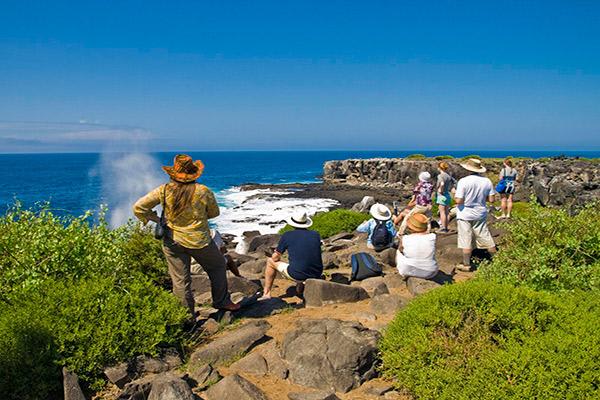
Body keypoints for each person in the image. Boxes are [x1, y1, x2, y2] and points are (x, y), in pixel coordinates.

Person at [133, 154, 240, 325]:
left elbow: (138, 207)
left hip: (172, 240)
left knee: (180, 281)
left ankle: (186, 318)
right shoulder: (202, 191)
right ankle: (221, 301)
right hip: (199, 241)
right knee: (218, 265)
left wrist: (154, 219)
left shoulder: (164, 190)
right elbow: (214, 213)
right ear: (193, 173)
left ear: (173, 174)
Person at [259, 211, 323, 300]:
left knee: (270, 261)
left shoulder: (287, 235)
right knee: (303, 261)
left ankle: (266, 293)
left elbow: (275, 258)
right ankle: (301, 286)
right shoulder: (315, 234)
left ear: (292, 223)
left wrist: (275, 252)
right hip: (317, 273)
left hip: (297, 274)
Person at [454, 158, 497, 272]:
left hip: (465, 214)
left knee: (466, 239)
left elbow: (458, 201)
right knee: (486, 237)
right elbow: (492, 200)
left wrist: (455, 195)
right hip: (480, 213)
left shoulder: (463, 181)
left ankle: (466, 264)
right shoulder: (487, 181)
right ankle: (498, 261)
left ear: (468, 169)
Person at [395, 213, 438, 279]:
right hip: (431, 272)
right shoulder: (432, 236)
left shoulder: (405, 238)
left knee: (398, 252)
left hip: (407, 271)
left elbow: (401, 250)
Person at [436, 162, 455, 232]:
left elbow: (442, 183)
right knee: (447, 213)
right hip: (447, 195)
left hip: (442, 196)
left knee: (442, 212)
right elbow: (454, 182)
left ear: (439, 168)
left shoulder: (440, 176)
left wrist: (440, 189)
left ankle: (443, 228)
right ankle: (446, 227)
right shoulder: (448, 176)